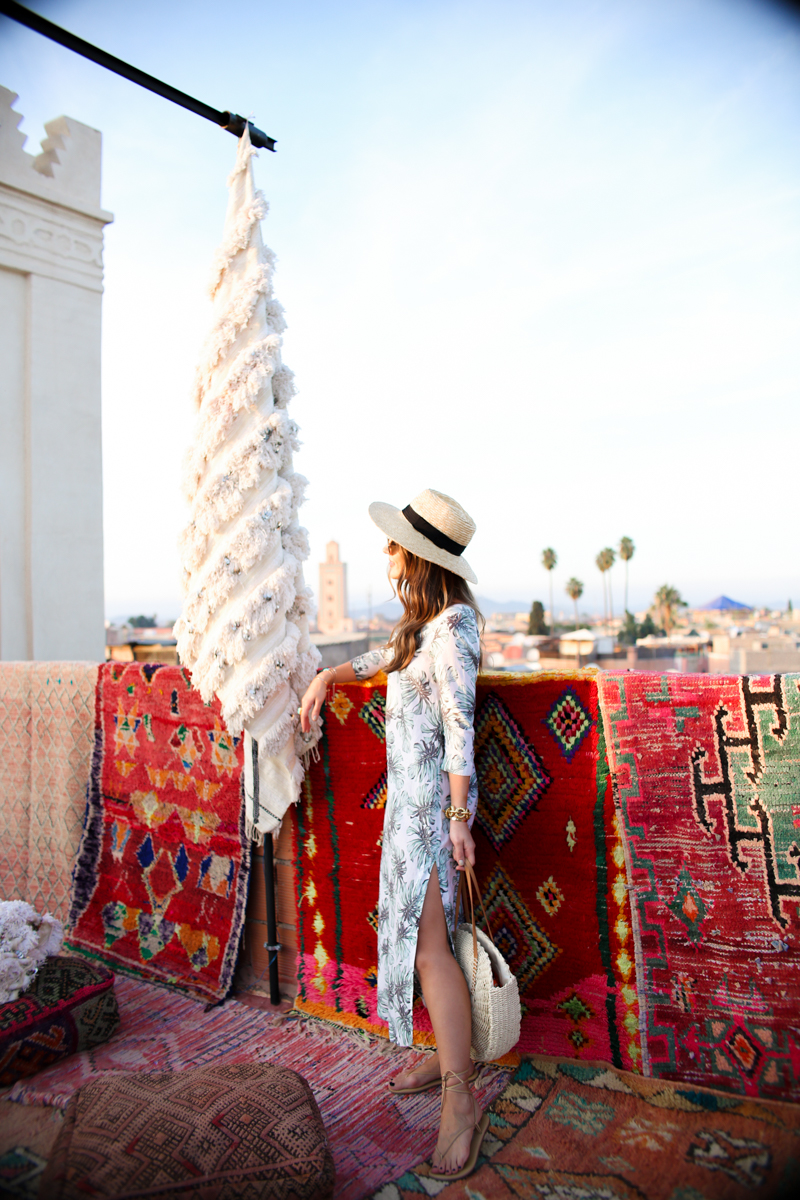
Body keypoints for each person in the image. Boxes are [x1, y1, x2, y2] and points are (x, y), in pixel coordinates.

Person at [300, 488, 488, 1182]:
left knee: (432, 950)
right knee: (415, 945)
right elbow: (383, 657)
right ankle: (447, 1058)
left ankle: (459, 1099)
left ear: (420, 556)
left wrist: (458, 821)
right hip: (407, 815)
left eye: (393, 545)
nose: (385, 554)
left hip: (434, 815)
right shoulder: (426, 627)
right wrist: (328, 674)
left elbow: (460, 727)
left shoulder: (457, 627)